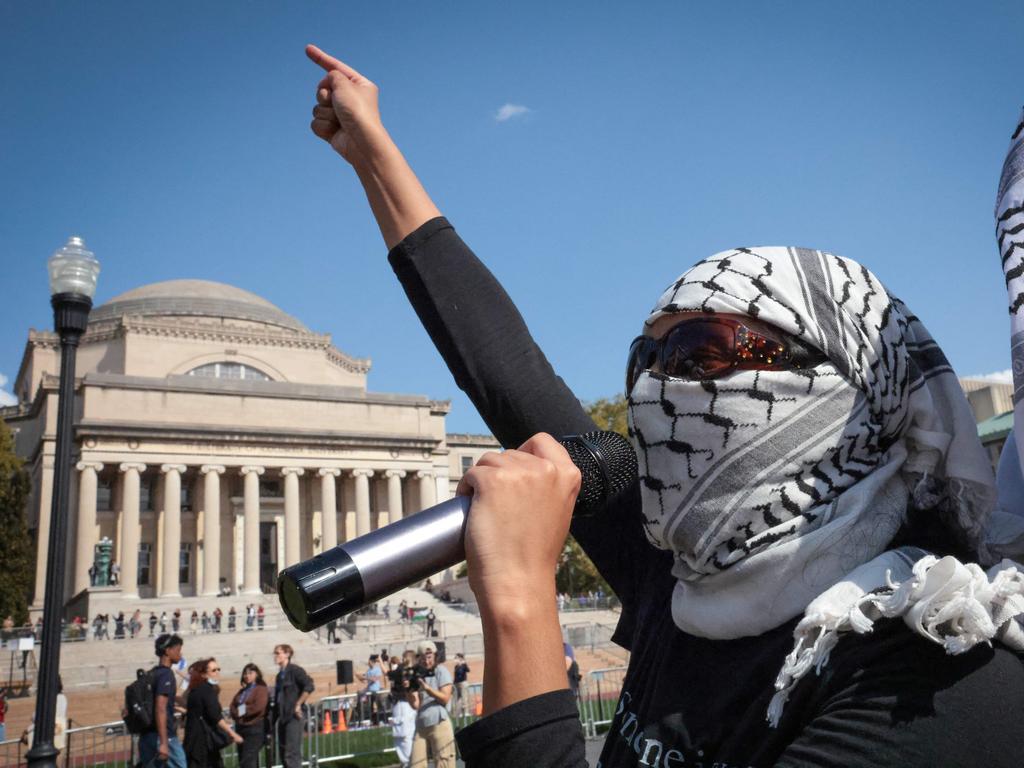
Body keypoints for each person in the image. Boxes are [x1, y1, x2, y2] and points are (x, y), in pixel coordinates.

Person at [304, 44, 1024, 767]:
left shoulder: (934, 674)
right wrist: (373, 152)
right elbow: (506, 373)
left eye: (701, 355)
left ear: (852, 392)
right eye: (645, 359)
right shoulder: (681, 574)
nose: (653, 389)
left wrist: (522, 602)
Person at [137, 634, 187, 768]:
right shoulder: (166, 675)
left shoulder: (152, 673)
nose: (180, 654)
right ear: (167, 651)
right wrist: (164, 742)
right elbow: (160, 708)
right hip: (164, 737)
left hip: (147, 736)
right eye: (177, 650)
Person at [183, 658, 242, 767]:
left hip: (194, 741)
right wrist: (232, 733)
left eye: (218, 669)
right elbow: (216, 716)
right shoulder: (206, 691)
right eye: (214, 670)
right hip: (203, 743)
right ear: (204, 674)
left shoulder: (196, 691)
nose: (217, 672)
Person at [408, 640, 455, 768]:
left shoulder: (441, 671)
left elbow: (445, 698)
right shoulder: (416, 675)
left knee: (444, 763)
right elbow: (415, 705)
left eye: (429, 657)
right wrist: (408, 689)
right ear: (418, 659)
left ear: (434, 656)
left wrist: (428, 689)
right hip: (421, 724)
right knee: (416, 763)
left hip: (439, 722)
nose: (426, 661)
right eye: (423, 658)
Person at [272, 644, 314, 768]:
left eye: (278, 653)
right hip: (283, 717)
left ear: (287, 654)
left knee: (291, 754)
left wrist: (298, 704)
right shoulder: (279, 676)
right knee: (283, 753)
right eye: (275, 653)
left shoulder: (295, 670)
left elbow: (309, 686)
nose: (275, 656)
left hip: (294, 717)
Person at [230, 663, 269, 768]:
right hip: (241, 729)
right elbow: (232, 707)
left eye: (250, 673)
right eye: (245, 674)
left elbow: (258, 707)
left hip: (255, 729)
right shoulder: (242, 691)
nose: (247, 676)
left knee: (247, 761)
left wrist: (240, 711)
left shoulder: (261, 689)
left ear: (256, 674)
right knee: (245, 759)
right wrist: (239, 711)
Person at [389, 650, 419, 767]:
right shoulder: (407, 671)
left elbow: (390, 675)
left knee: (403, 734)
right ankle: (408, 761)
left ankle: (408, 762)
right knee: (406, 734)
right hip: (405, 703)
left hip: (404, 703)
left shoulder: (406, 671)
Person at [356, 654, 384, 724]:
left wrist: (365, 677)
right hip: (369, 691)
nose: (368, 663)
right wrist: (357, 676)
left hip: (376, 691)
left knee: (379, 705)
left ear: (372, 662)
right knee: (370, 706)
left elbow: (375, 679)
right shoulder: (368, 671)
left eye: (369, 662)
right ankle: (372, 720)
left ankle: (382, 719)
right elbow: (364, 680)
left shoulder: (377, 669)